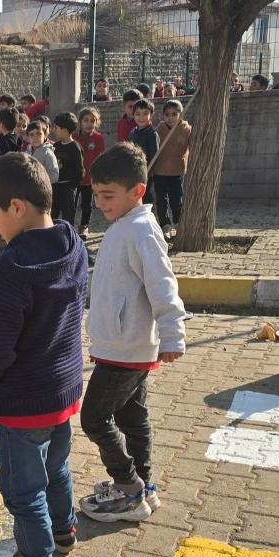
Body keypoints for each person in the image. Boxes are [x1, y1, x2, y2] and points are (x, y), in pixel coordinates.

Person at [0, 152, 88, 557]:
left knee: (23, 490)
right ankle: (63, 531)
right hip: (63, 390)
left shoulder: (12, 267)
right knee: (56, 468)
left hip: (23, 402)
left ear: (16, 207)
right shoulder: (73, 243)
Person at [78, 142, 187, 523]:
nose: (101, 204)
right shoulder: (125, 225)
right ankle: (145, 485)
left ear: (137, 191)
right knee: (132, 420)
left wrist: (173, 335)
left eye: (108, 195)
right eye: (96, 195)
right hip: (122, 345)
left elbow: (163, 284)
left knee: (93, 419)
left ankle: (128, 488)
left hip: (127, 349)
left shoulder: (141, 230)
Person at [150, 99, 191, 239]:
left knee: (176, 199)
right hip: (160, 171)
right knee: (161, 200)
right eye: (167, 114)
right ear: (163, 116)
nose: (171, 117)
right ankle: (165, 225)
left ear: (181, 114)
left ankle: (178, 222)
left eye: (174, 114)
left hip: (177, 171)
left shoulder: (187, 130)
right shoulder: (159, 130)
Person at [75, 107, 106, 235]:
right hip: (75, 178)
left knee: (87, 205)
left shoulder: (98, 138)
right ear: (80, 122)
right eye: (86, 120)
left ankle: (84, 226)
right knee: (71, 204)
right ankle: (70, 225)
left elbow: (100, 158)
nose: (89, 124)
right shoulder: (74, 137)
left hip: (90, 179)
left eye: (92, 121)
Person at [51, 112, 83, 227]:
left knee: (68, 216)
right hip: (55, 186)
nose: (54, 130)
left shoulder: (75, 148)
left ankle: (68, 237)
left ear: (64, 130)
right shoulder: (56, 146)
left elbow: (79, 170)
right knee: (52, 215)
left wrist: (72, 186)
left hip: (68, 189)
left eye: (56, 128)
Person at [128, 99, 158, 207]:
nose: (141, 118)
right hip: (133, 170)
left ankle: (148, 214)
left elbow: (154, 156)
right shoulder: (133, 132)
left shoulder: (152, 134)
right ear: (133, 115)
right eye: (138, 114)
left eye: (145, 114)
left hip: (146, 171)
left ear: (151, 114)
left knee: (145, 194)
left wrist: (147, 172)